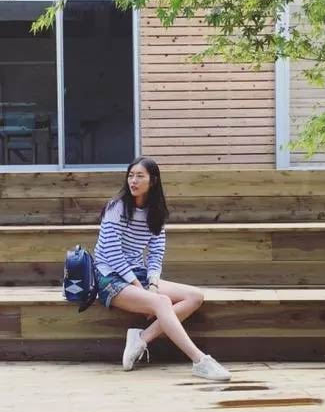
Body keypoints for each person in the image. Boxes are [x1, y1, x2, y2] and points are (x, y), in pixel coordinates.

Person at [94, 156, 231, 381]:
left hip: (136, 273)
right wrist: (142, 288)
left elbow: (156, 254)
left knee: (194, 296)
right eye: (130, 175)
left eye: (140, 176)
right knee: (161, 302)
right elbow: (111, 254)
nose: (133, 181)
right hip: (108, 276)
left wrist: (153, 284)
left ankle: (141, 339)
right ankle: (200, 361)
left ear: (153, 180)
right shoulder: (116, 208)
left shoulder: (155, 213)